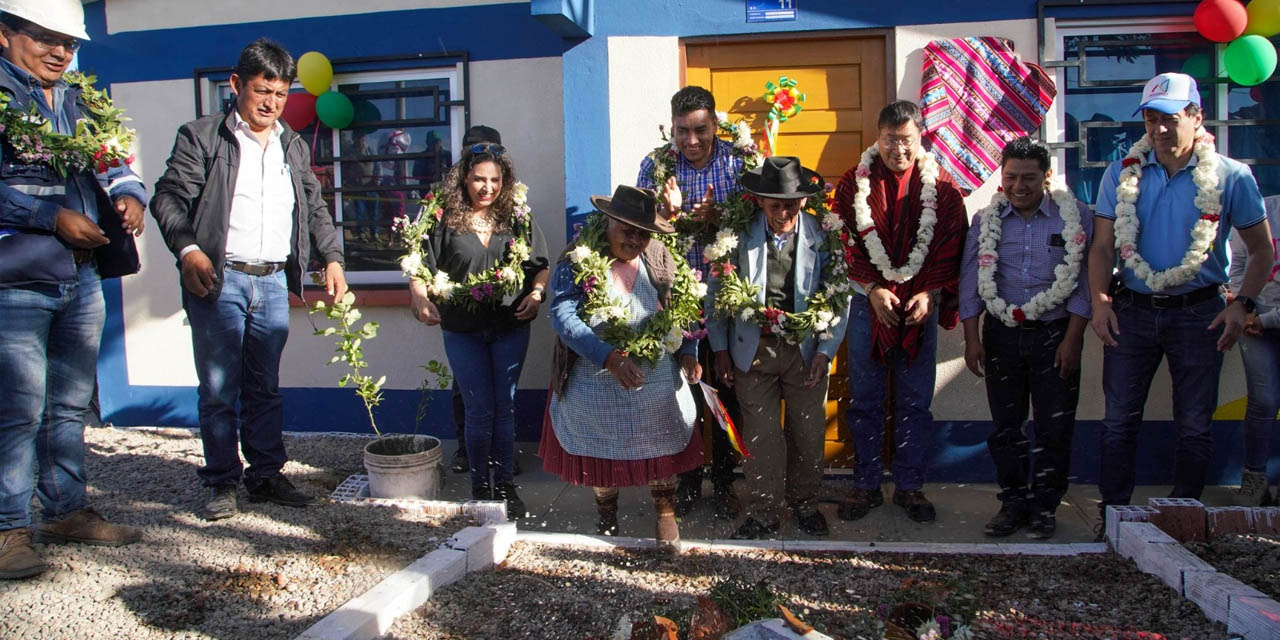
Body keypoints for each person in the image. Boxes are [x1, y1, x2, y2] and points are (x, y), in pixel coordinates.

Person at [151, 39, 349, 521]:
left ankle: (264, 476)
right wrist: (189, 251)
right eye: (263, 91)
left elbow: (315, 207)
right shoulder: (202, 137)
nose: (271, 103)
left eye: (280, 94)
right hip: (221, 280)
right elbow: (168, 197)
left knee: (265, 387)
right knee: (219, 388)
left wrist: (334, 258)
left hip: (273, 282)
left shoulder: (292, 144)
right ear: (236, 85)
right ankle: (221, 482)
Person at [1089, 73, 1274, 539]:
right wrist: (1100, 300)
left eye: (1169, 119)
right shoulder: (1121, 172)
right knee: (1117, 422)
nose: (1159, 130)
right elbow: (1102, 248)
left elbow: (1262, 250)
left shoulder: (1231, 176)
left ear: (1196, 117)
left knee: (1194, 425)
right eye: (1151, 119)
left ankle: (1182, 526)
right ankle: (1111, 522)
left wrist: (1242, 305)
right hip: (1131, 311)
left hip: (1199, 314)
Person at [0, 0, 147, 580]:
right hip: (18, 276)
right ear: (6, 34)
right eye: (46, 38)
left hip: (82, 275)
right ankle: (8, 528)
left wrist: (130, 192)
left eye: (70, 42)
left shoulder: (81, 98)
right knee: (16, 408)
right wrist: (50, 217)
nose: (61, 51)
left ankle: (64, 510)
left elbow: (115, 161)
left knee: (68, 403)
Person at [540, 185, 704, 553]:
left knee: (662, 429)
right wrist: (608, 357)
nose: (635, 239)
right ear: (607, 221)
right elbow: (562, 315)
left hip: (654, 373)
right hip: (594, 370)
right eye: (626, 230)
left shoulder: (662, 259)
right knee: (598, 440)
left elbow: (686, 312)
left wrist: (690, 352)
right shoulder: (576, 259)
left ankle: (665, 514)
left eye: (643, 232)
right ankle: (606, 512)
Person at [832, 101, 967, 524]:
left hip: (919, 307)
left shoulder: (942, 188)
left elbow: (950, 243)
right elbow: (843, 242)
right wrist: (871, 289)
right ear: (878, 137)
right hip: (867, 304)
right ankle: (866, 483)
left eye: (906, 140)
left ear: (920, 137)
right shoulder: (852, 184)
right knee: (866, 399)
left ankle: (910, 486)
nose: (898, 149)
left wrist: (929, 292)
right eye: (890, 140)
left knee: (914, 402)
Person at [705, 157, 850, 539]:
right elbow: (716, 294)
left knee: (807, 432)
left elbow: (839, 299)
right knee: (761, 435)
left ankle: (804, 505)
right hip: (753, 350)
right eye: (775, 205)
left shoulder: (823, 236)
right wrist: (720, 349)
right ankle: (764, 511)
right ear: (759, 202)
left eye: (790, 204)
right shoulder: (737, 237)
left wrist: (826, 351)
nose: (783, 212)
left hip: (806, 353)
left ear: (802, 201)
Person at [959, 137, 1093, 539]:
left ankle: (1045, 506)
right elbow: (970, 279)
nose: (1019, 186)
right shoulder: (987, 220)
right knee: (1006, 426)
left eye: (1029, 178)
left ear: (1047, 177)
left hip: (1056, 335)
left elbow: (1085, 282)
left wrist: (1074, 339)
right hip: (1001, 334)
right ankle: (1013, 500)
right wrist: (971, 337)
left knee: (1054, 426)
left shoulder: (1075, 217)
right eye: (1011, 177)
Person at [408, 132, 548, 516]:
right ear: (464, 179)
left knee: (505, 406)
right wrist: (419, 296)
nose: (487, 187)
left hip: (510, 324)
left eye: (495, 180)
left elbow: (540, 265)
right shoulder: (442, 216)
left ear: (504, 183)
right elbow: (419, 265)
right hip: (462, 328)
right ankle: (479, 489)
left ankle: (504, 485)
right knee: (478, 407)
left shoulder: (517, 215)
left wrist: (537, 294)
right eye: (479, 179)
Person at [636, 85, 743, 519]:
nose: (692, 141)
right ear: (672, 128)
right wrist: (671, 215)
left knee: (726, 393)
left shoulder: (739, 161)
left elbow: (757, 220)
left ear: (715, 124)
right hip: (672, 300)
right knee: (679, 395)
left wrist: (721, 217)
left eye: (701, 130)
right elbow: (636, 228)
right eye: (683, 131)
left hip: (728, 301)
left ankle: (723, 483)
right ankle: (686, 482)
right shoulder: (655, 165)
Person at [1232, 194, 1280, 507]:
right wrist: (1242, 304)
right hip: (1256, 321)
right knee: (1263, 401)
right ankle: (1254, 479)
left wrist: (1264, 319)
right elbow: (1236, 264)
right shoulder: (1261, 210)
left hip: (1262, 319)